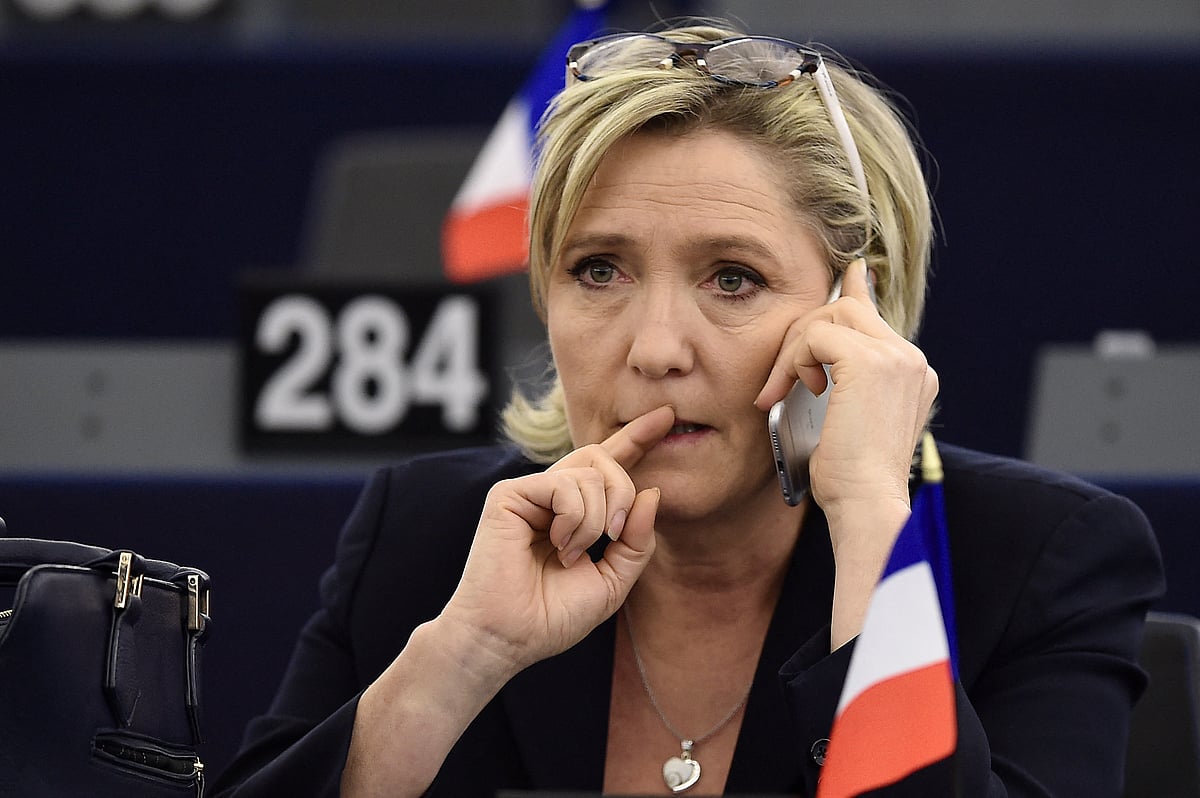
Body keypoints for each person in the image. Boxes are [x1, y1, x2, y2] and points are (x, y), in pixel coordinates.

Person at [211, 22, 1163, 798]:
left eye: (733, 278)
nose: (656, 346)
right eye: (598, 271)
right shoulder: (427, 537)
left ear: (853, 316)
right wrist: (466, 656)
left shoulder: (1040, 562)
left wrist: (873, 518)